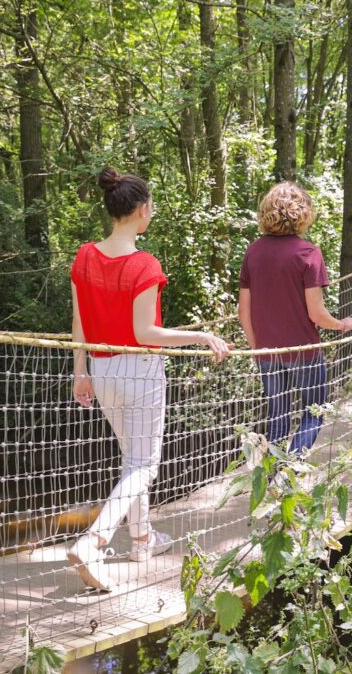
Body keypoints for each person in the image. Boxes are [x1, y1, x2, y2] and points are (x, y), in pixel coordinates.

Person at [67, 167, 230, 592]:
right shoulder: (144, 264)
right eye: (151, 206)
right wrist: (201, 336)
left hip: (102, 370)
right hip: (140, 371)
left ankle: (142, 540)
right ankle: (94, 541)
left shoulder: (85, 257)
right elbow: (145, 334)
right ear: (142, 210)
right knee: (143, 464)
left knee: (132, 460)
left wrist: (80, 372)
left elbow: (79, 321)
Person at [238, 182, 352, 457]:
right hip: (303, 351)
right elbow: (316, 313)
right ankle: (290, 471)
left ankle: (272, 475)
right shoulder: (308, 253)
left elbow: (243, 311)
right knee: (314, 412)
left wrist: (256, 347)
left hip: (267, 352)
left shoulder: (253, 251)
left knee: (278, 418)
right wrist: (341, 325)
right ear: (303, 213)